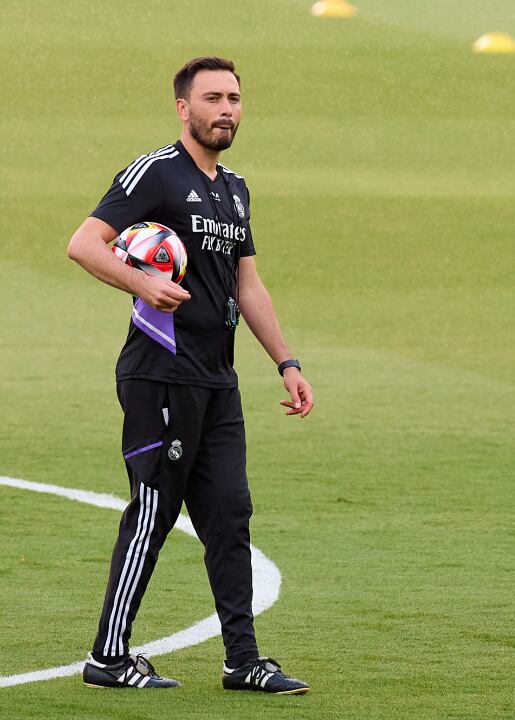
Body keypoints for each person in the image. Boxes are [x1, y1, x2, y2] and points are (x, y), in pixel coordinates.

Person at [66, 56, 313, 694]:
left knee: (230, 514)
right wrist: (141, 279)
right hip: (159, 373)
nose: (226, 109)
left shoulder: (235, 189)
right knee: (153, 508)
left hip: (217, 378)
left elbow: (246, 285)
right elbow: (85, 243)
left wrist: (286, 361)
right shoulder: (157, 173)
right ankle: (109, 657)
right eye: (212, 98)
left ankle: (243, 661)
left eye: (234, 97)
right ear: (183, 108)